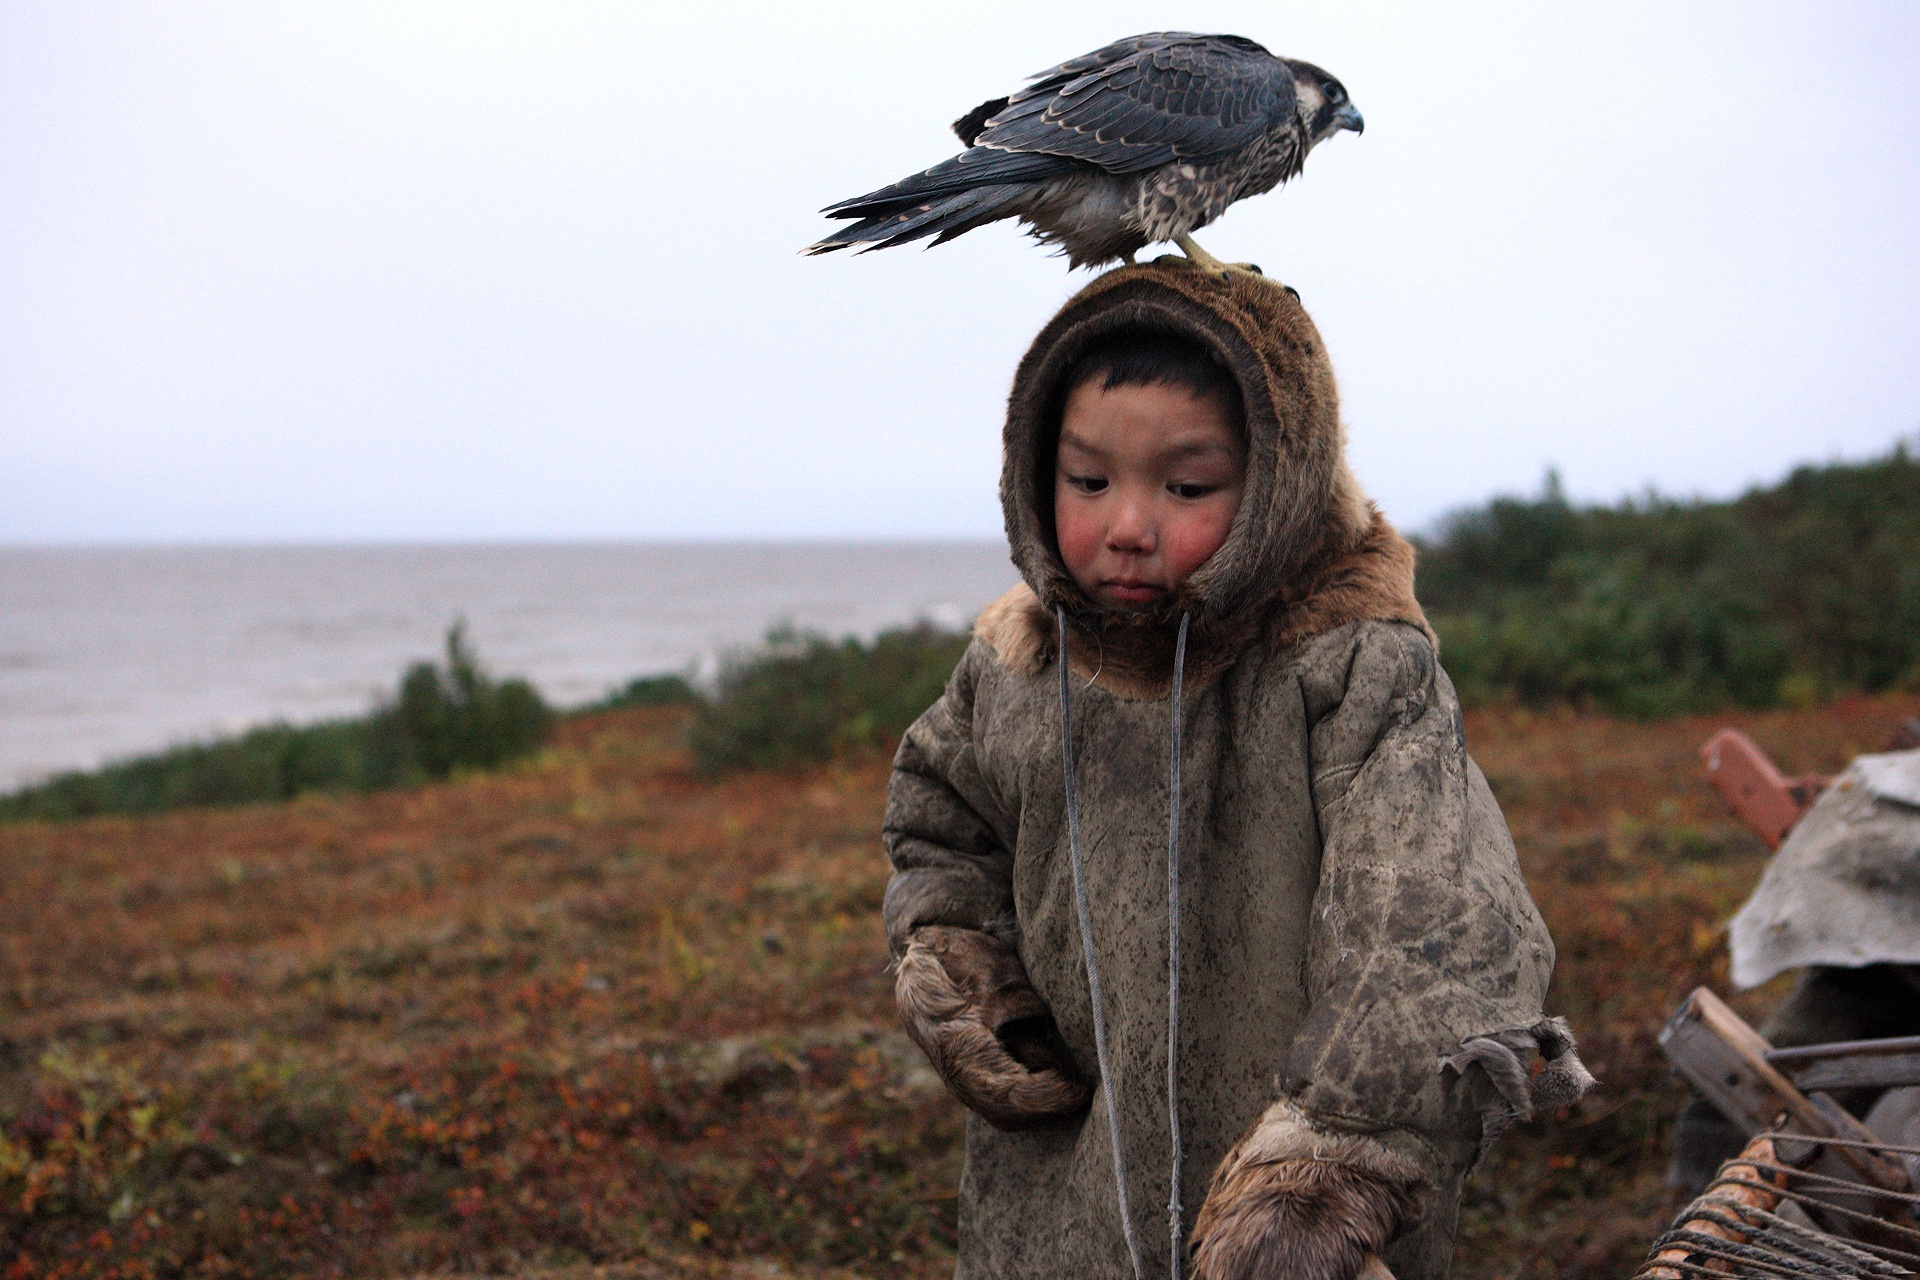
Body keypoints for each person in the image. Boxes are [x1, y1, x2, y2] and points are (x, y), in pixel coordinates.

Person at [881, 262, 1588, 1280]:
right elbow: (939, 819)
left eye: (1187, 486)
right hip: (1062, 1203)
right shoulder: (1015, 668)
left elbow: (1436, 920)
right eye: (1088, 480)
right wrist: (956, 955)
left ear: (1279, 480)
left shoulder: (1352, 666)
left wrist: (1339, 1155)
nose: (1128, 523)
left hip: (1292, 1226)